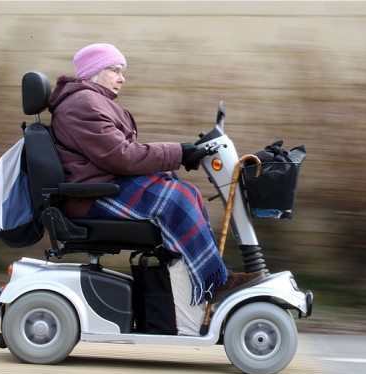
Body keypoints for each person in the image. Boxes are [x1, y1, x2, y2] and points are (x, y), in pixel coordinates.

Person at [48, 43, 262, 305]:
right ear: (94, 71)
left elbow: (120, 154)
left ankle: (198, 277)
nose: (121, 77)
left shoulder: (90, 101)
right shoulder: (83, 104)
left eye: (122, 71)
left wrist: (174, 159)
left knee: (187, 193)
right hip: (91, 195)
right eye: (114, 70)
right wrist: (178, 154)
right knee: (177, 199)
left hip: (102, 185)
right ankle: (214, 282)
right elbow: (121, 156)